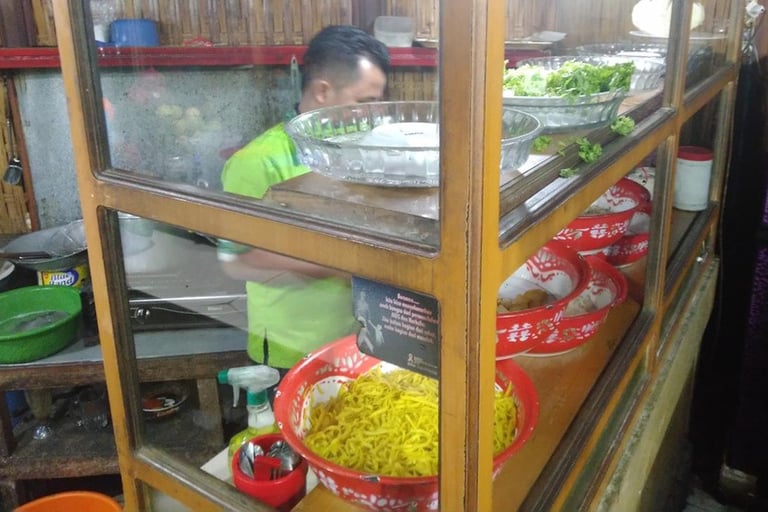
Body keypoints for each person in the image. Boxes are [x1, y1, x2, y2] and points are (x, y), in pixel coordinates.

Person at [218, 25, 390, 370]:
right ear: (323, 91)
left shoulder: (358, 153)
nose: (374, 115)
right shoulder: (257, 161)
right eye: (364, 103)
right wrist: (339, 263)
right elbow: (236, 262)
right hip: (291, 347)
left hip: (359, 339)